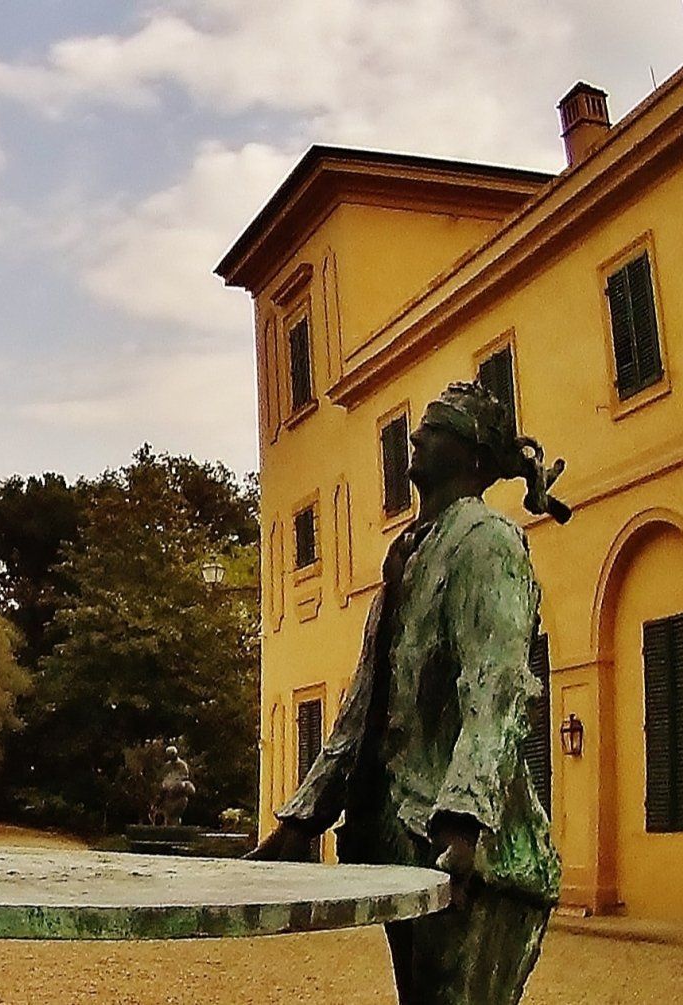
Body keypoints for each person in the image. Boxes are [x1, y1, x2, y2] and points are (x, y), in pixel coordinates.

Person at [249, 381, 570, 1005]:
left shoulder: (488, 543)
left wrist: (463, 825)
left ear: (473, 456)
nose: (416, 436)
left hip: (475, 859)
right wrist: (304, 820)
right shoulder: (410, 552)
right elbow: (364, 706)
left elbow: (496, 690)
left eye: (437, 427)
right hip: (410, 840)